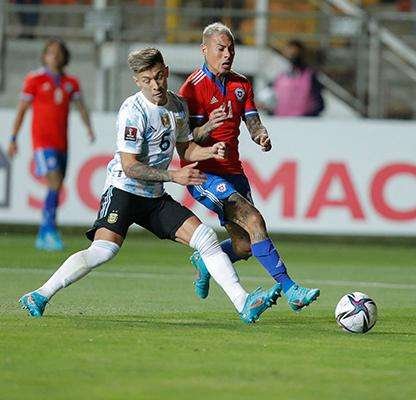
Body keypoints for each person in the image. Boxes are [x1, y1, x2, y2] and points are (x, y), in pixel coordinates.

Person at [19, 48, 282, 324]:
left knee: (205, 238)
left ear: (166, 71)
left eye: (158, 77)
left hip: (154, 196)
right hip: (124, 191)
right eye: (147, 80)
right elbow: (131, 166)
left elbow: (186, 148)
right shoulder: (133, 112)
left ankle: (244, 303)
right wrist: (173, 176)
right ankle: (39, 294)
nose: (155, 85)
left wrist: (210, 151)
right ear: (137, 81)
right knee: (102, 252)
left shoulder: (178, 105)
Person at [178, 23, 320, 311]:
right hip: (203, 172)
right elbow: (186, 140)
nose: (228, 53)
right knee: (254, 220)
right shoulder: (191, 89)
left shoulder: (241, 84)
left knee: (243, 246)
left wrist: (260, 135)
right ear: (204, 50)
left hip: (233, 171)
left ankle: (206, 261)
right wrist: (209, 126)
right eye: (221, 48)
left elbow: (252, 120)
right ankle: (291, 289)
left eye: (231, 48)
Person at [8, 38, 95, 251]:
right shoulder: (34, 79)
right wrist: (13, 138)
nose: (54, 56)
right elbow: (21, 110)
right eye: (50, 52)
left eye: (58, 52)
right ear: (44, 55)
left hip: (61, 143)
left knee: (56, 185)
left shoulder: (70, 82)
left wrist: (88, 127)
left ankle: (45, 232)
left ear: (65, 56)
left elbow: (81, 106)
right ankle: (48, 230)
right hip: (42, 142)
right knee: (54, 182)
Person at [270, 39, 324, 117]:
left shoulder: (310, 76)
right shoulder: (280, 76)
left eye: (295, 54)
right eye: (289, 54)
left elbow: (319, 104)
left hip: (303, 122)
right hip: (281, 121)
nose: (292, 57)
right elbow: (269, 98)